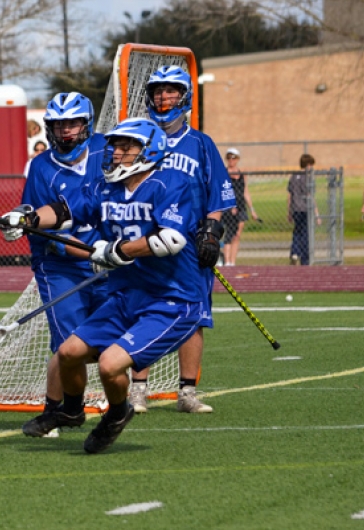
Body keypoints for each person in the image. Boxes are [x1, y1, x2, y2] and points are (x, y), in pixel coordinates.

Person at [0, 118, 204, 453]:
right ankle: (70, 409)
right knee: (68, 352)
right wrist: (27, 219)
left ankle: (116, 414)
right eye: (116, 146)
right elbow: (65, 211)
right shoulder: (106, 187)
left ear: (149, 149)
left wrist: (116, 250)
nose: (116, 153)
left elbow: (170, 239)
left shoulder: (171, 183)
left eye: (126, 147)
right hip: (127, 294)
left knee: (110, 364)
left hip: (170, 299)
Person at [128, 65, 235, 415]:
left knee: (194, 315)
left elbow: (218, 195)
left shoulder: (201, 144)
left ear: (184, 95)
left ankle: (187, 392)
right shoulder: (136, 139)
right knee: (142, 310)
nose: (163, 97)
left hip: (189, 245)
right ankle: (137, 390)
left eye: (171, 90)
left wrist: (212, 233)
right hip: (146, 240)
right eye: (158, 91)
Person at [5, 92, 109, 438]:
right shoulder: (41, 166)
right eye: (59, 124)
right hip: (60, 263)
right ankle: (59, 410)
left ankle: (124, 398)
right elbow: (39, 225)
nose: (66, 131)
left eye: (73, 123)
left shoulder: (108, 151)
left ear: (87, 123)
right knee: (68, 345)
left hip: (111, 259)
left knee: (115, 338)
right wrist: (22, 220)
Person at [220, 148, 258, 266]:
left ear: (238, 159)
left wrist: (252, 209)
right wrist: (230, 205)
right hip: (229, 208)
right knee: (229, 234)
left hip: (241, 207)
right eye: (229, 157)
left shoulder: (242, 174)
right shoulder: (224, 173)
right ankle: (227, 261)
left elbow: (245, 192)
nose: (231, 160)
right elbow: (223, 192)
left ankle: (233, 261)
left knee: (237, 235)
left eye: (234, 157)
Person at [287, 153, 321, 266]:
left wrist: (289, 211)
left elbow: (290, 196)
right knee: (306, 234)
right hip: (306, 210)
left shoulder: (293, 176)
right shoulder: (308, 178)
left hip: (295, 209)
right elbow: (311, 197)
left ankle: (295, 252)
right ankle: (305, 259)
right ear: (308, 165)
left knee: (297, 232)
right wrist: (317, 215)